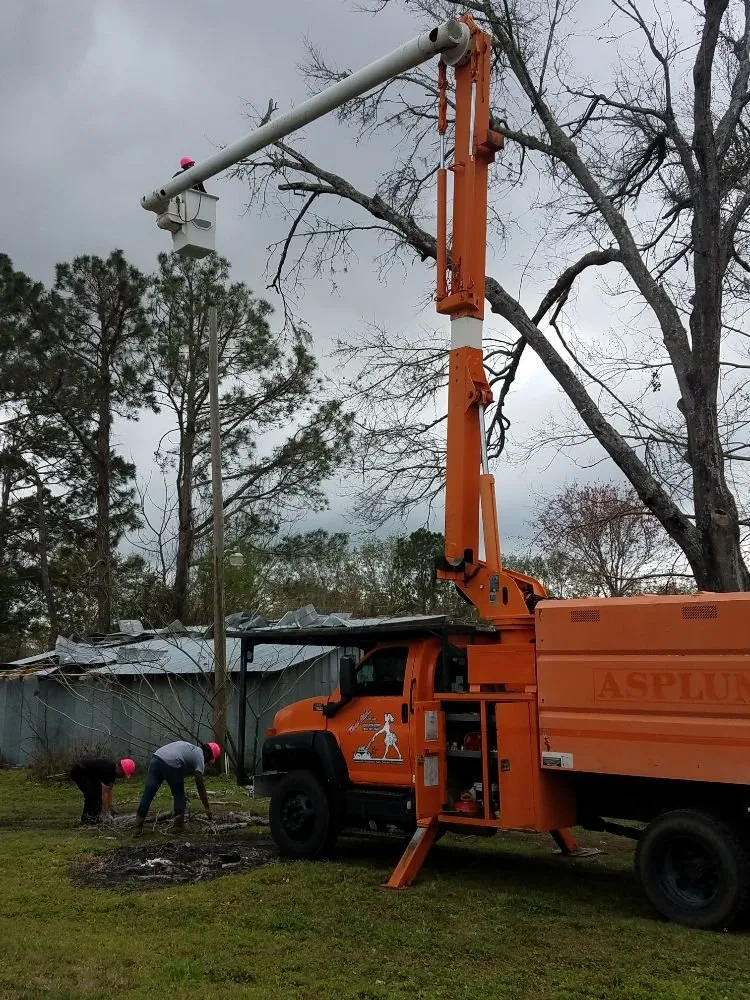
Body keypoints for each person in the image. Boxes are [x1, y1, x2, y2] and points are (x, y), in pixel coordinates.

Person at [133, 740, 221, 835]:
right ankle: (178, 826)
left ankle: (137, 827)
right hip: (171, 762)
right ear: (208, 756)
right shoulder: (200, 756)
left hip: (156, 758)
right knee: (179, 794)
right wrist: (207, 808)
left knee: (148, 793)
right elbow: (200, 784)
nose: (207, 763)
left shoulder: (190, 748)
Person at [69, 756, 136, 825]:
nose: (123, 777)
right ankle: (87, 819)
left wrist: (110, 807)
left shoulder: (113, 771)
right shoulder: (108, 770)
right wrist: (106, 812)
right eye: (123, 774)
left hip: (89, 775)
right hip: (79, 771)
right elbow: (104, 793)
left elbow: (109, 790)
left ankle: (94, 818)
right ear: (120, 768)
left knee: (96, 794)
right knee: (92, 795)